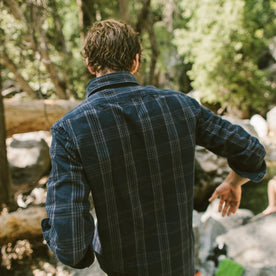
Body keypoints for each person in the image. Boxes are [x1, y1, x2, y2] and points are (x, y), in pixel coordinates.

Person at [41, 19, 266, 276]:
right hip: (179, 265)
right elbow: (251, 151)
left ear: (89, 65)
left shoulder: (69, 130)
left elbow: (70, 244)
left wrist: (73, 249)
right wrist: (234, 182)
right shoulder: (182, 106)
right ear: (135, 62)